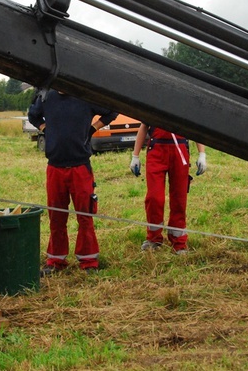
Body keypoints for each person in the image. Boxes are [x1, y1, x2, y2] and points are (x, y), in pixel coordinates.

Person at [28, 89, 117, 275]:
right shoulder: (46, 96)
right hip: (55, 167)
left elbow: (112, 111)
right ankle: (55, 261)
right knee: (56, 217)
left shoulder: (86, 95)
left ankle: (88, 261)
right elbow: (33, 115)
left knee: (85, 215)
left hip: (80, 167)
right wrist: (47, 129)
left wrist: (93, 128)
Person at [129, 124, 207, 254]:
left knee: (179, 198)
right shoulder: (156, 103)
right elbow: (144, 126)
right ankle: (153, 239)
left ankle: (179, 241)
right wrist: (135, 156)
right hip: (156, 150)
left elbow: (196, 127)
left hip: (180, 150)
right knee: (154, 198)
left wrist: (202, 153)